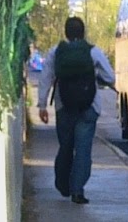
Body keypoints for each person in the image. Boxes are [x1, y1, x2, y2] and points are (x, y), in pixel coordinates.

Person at [37, 16, 115, 204]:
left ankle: (63, 185)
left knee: (66, 146)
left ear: (66, 32)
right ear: (83, 32)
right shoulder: (93, 52)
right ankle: (77, 191)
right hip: (89, 107)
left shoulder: (56, 52)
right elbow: (110, 76)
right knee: (83, 149)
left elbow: (45, 78)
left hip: (63, 106)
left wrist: (42, 105)